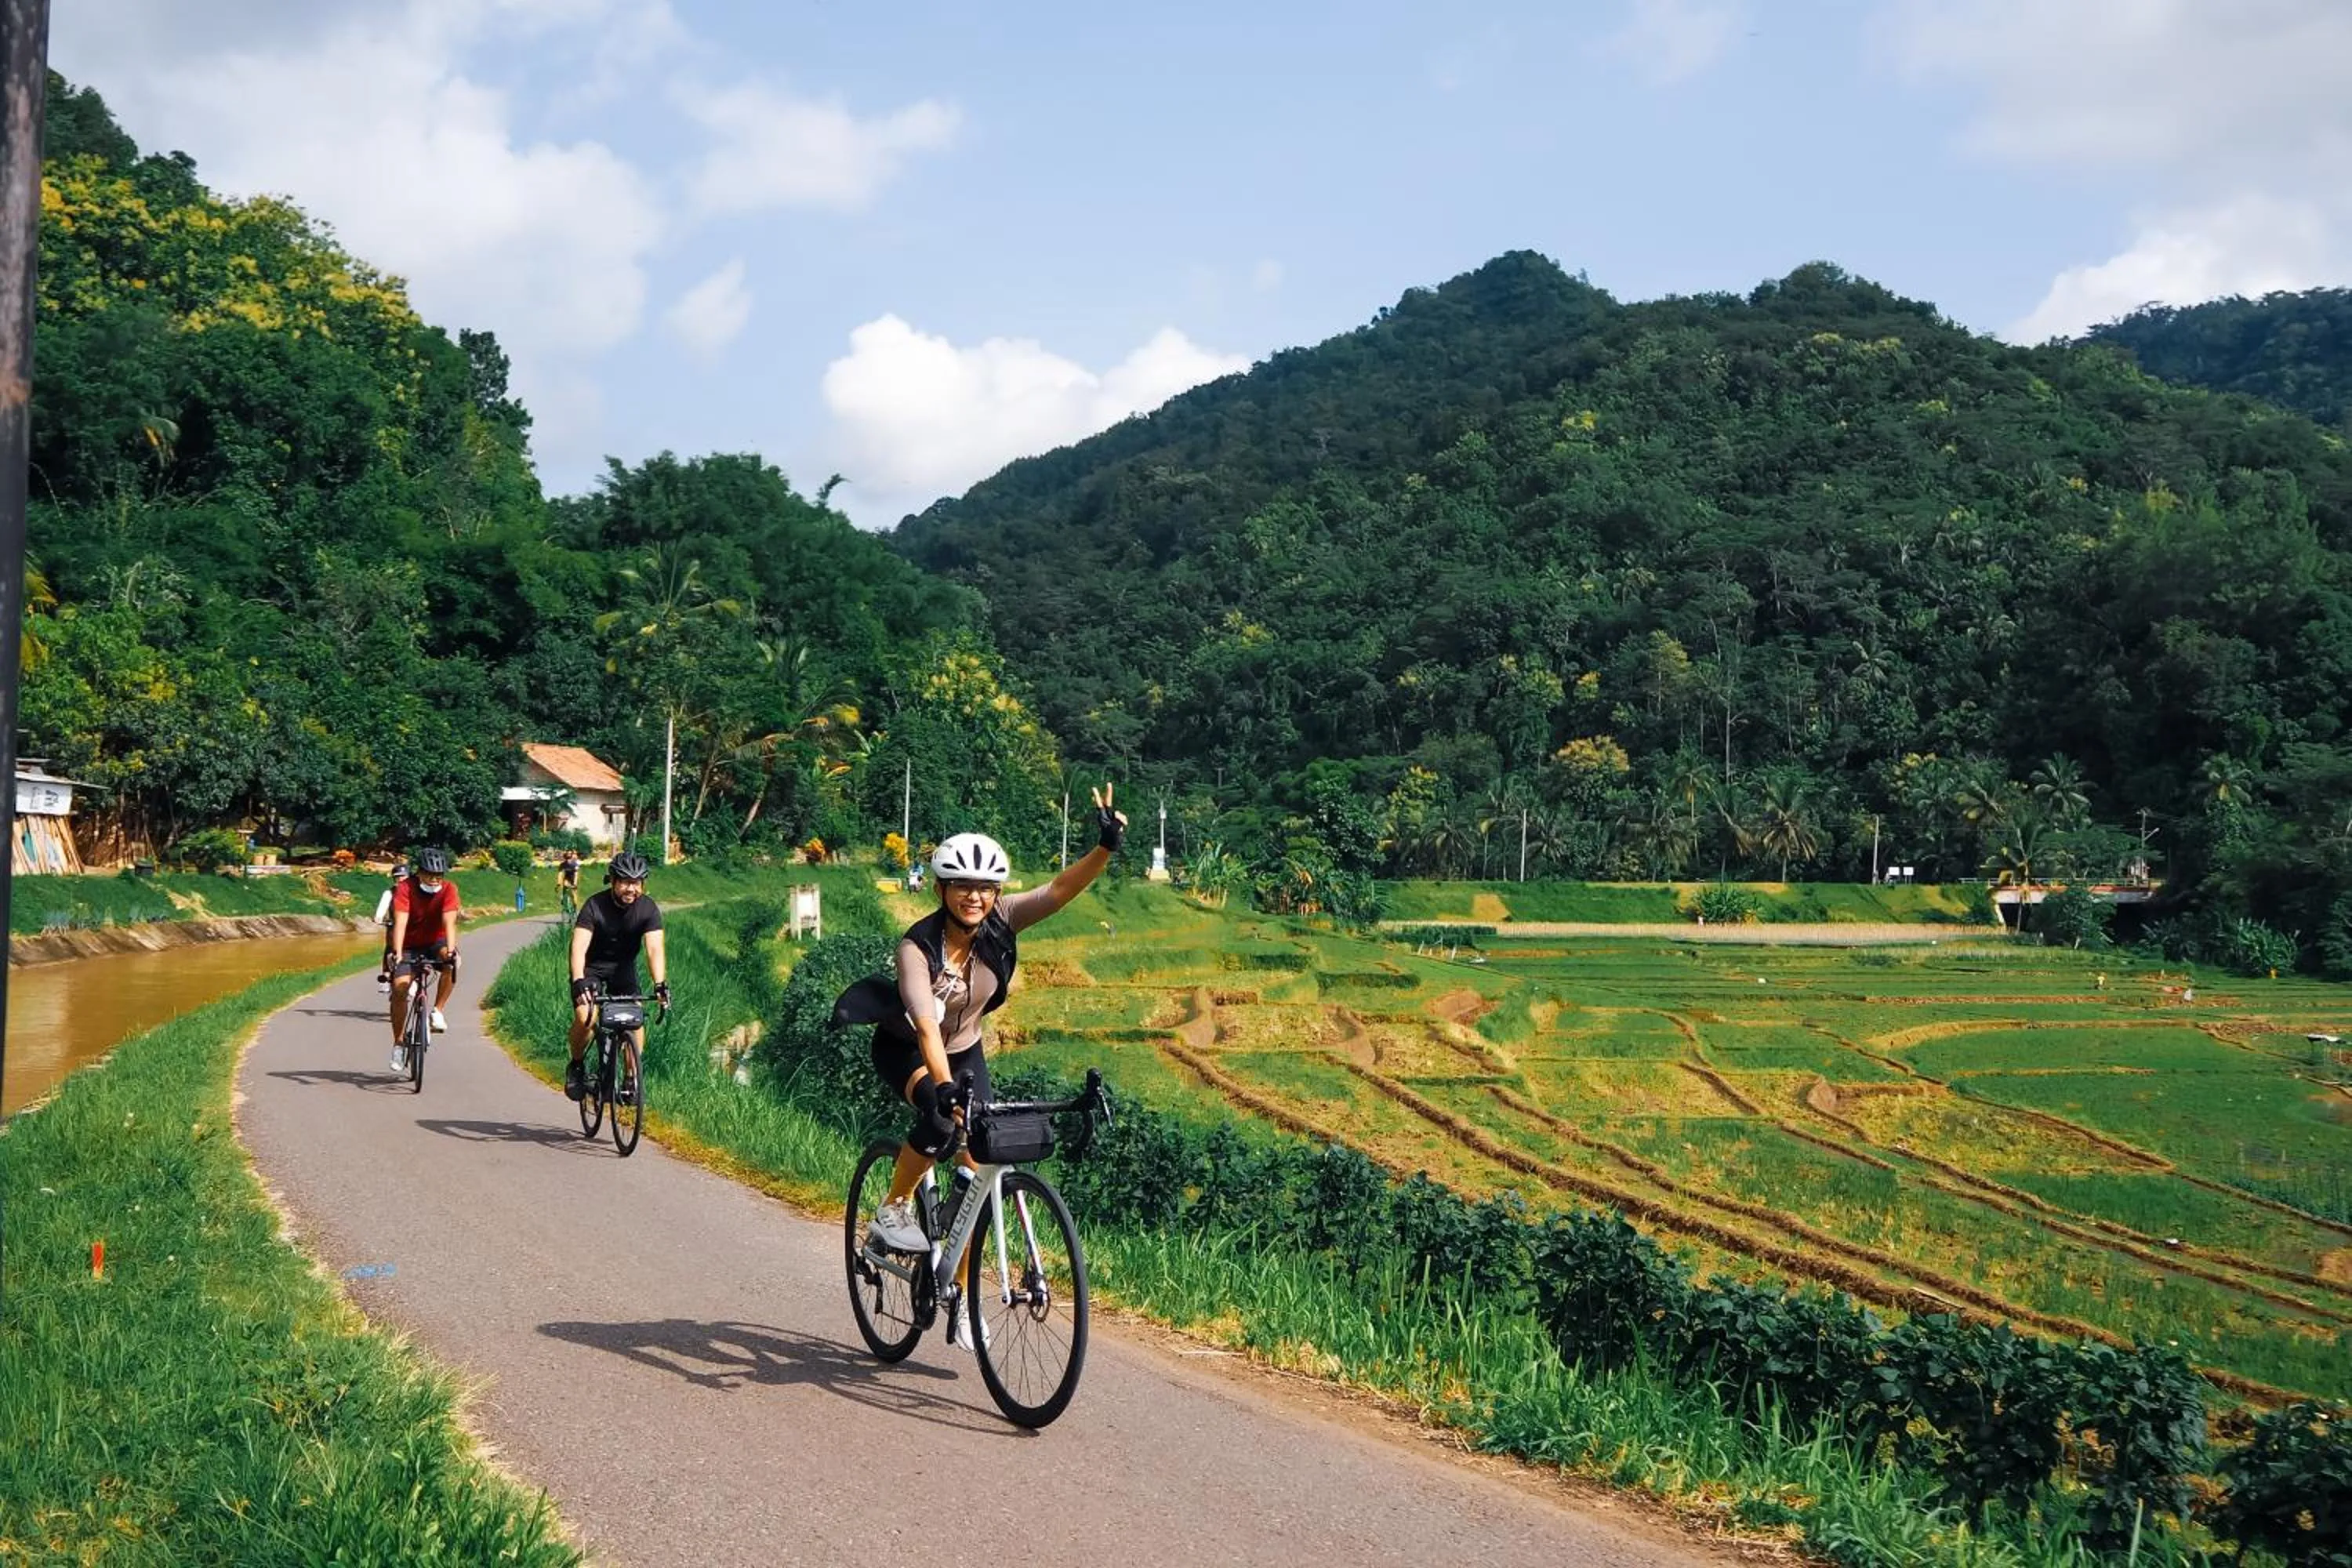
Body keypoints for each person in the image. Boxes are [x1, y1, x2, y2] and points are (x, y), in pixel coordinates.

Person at [848, 784, 1126, 1352]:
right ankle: (893, 1207)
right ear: (941, 890)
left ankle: (961, 1294)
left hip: (968, 1049)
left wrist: (1105, 847)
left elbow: (1060, 891)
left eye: (985, 887)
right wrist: (942, 1088)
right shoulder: (916, 949)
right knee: (939, 1120)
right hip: (908, 1048)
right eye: (962, 886)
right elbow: (927, 1027)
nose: (974, 896)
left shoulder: (1002, 920)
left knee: (980, 1166)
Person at [565, 851, 670, 1102]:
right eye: (625, 882)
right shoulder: (594, 906)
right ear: (612, 881)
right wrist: (578, 980)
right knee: (587, 1017)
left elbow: (655, 949)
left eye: (636, 883)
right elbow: (578, 947)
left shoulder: (648, 909)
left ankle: (631, 1078)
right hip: (591, 969)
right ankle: (576, 1065)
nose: (631, 889)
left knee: (635, 1021)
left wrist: (659, 984)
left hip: (623, 969)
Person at [387, 848, 462, 1073]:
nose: (435, 879)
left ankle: (437, 1010)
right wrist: (397, 952)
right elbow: (400, 922)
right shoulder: (405, 888)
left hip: (436, 941)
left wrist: (451, 951)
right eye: (430, 874)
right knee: (400, 988)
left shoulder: (449, 889)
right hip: (409, 944)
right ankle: (399, 1043)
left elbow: (449, 922)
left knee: (450, 962)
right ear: (419, 872)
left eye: (439, 875)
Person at [374, 858, 409, 993]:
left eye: (403, 876)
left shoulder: (414, 893)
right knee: (390, 947)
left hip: (412, 926)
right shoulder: (390, 893)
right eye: (397, 877)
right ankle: (386, 975)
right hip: (394, 926)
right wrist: (379, 917)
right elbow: (382, 907)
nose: (400, 879)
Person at [556, 848, 582, 915]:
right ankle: (565, 902)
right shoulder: (563, 864)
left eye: (570, 855)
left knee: (573, 894)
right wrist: (558, 883)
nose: (568, 859)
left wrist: (575, 884)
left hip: (574, 878)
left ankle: (574, 907)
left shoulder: (574, 864)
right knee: (565, 886)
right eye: (567, 854)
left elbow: (576, 874)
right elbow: (560, 874)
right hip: (567, 878)